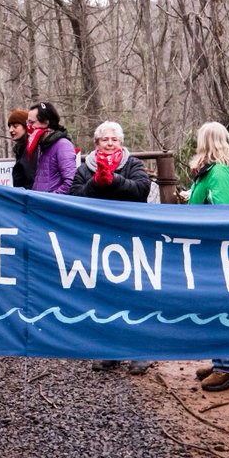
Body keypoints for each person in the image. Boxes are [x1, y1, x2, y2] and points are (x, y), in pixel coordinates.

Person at [70, 121, 153, 374]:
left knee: (134, 293)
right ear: (96, 144)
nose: (109, 143)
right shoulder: (85, 169)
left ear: (121, 143)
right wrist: (96, 182)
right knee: (105, 294)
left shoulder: (133, 165)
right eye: (104, 140)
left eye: (114, 140)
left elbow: (141, 190)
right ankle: (110, 350)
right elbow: (74, 197)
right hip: (98, 239)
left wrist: (114, 179)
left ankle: (140, 351)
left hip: (130, 238)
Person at [188, 122, 229, 392]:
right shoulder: (208, 172)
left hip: (219, 251)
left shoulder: (220, 172)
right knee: (213, 307)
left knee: (224, 307)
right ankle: (220, 361)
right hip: (208, 249)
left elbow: (221, 214)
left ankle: (228, 367)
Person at [22, 101, 76, 194]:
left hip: (52, 205)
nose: (28, 126)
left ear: (46, 122)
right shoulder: (42, 145)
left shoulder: (62, 145)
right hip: (40, 203)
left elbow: (70, 182)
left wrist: (51, 200)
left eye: (32, 122)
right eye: (27, 122)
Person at [6, 108, 33, 189]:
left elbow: (31, 180)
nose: (11, 130)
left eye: (15, 126)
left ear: (26, 127)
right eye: (10, 126)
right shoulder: (20, 149)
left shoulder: (31, 148)